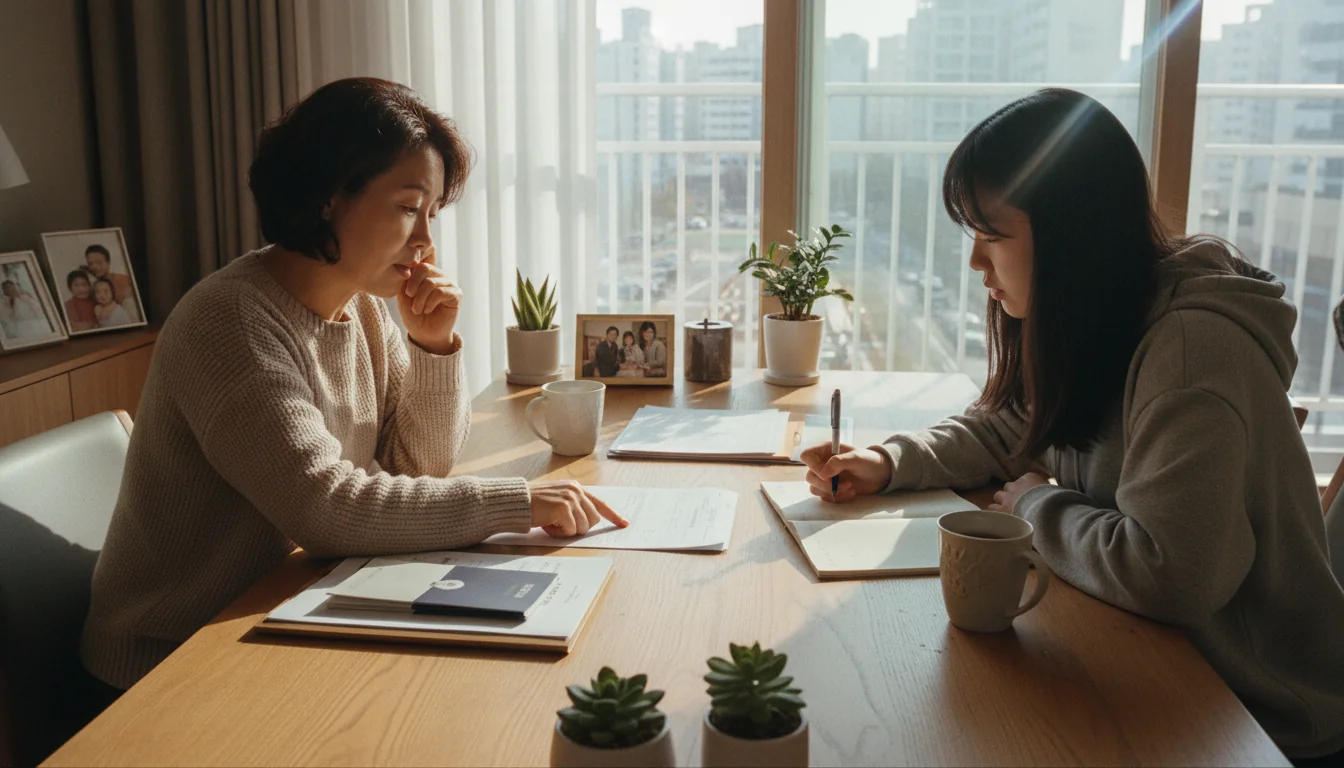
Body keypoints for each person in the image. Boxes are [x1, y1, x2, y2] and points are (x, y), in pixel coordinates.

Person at [800, 89, 1344, 764]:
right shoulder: (1103, 313)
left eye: (992, 235)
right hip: (1158, 667)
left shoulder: (1189, 352)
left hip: (1263, 720)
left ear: (1072, 233)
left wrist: (1034, 503)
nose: (975, 263)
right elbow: (1010, 429)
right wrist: (885, 462)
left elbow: (1172, 574)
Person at [80, 77, 628, 692]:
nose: (425, 240)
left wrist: (433, 345)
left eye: (433, 213)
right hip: (170, 659)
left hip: (283, 606)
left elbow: (416, 468)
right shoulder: (229, 321)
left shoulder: (360, 309)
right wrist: (516, 502)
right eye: (406, 207)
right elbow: (326, 508)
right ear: (327, 197)